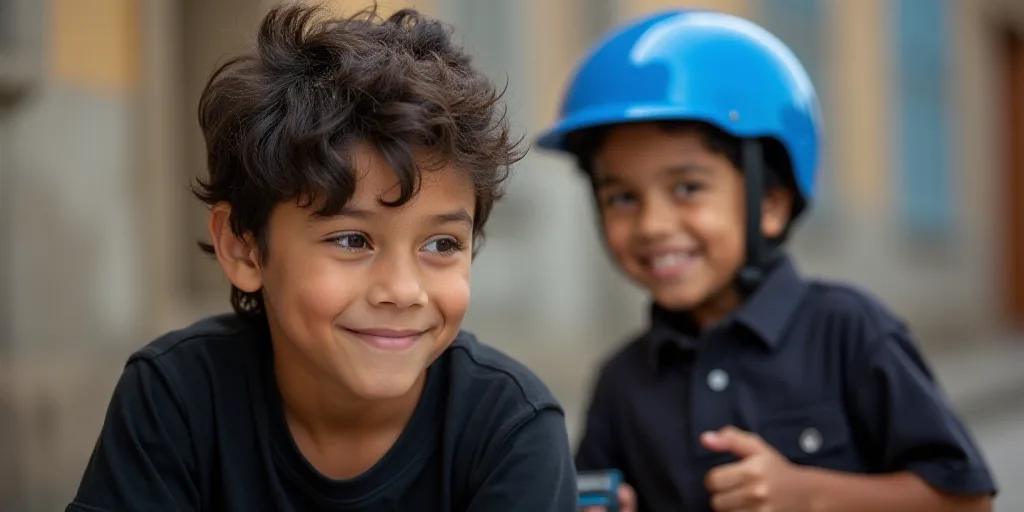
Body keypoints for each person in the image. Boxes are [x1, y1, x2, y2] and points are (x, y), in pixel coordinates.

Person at [67, 4, 577, 511]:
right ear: (243, 246)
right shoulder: (177, 396)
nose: (402, 291)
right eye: (352, 240)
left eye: (441, 245)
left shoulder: (510, 427)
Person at [536, 9, 997, 512]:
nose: (652, 225)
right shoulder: (621, 382)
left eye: (687, 188)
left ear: (771, 203)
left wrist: (809, 494)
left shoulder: (850, 332)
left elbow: (967, 501)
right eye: (621, 197)